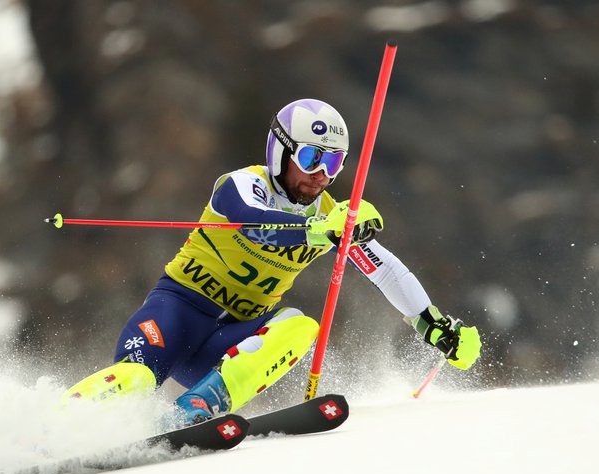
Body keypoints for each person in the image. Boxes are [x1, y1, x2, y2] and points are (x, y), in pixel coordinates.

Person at [64, 98, 481, 426]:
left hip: (225, 349)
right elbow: (253, 224)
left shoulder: (334, 217)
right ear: (280, 152)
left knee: (300, 326)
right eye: (311, 158)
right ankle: (51, 428)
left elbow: (385, 268)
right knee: (136, 380)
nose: (320, 175)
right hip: (175, 315)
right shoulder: (243, 184)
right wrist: (321, 230)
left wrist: (433, 324)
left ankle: (195, 409)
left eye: (332, 162)